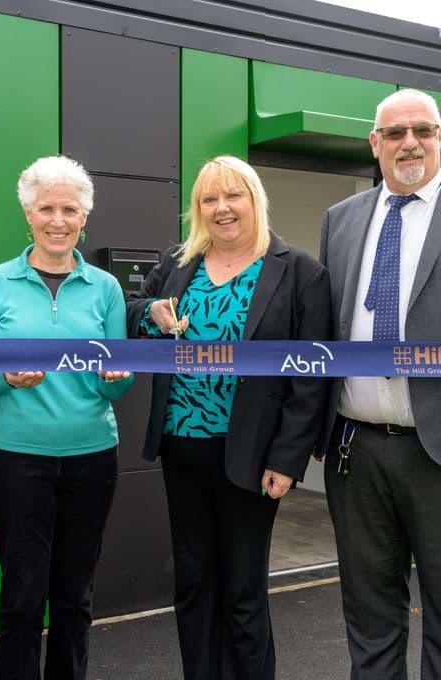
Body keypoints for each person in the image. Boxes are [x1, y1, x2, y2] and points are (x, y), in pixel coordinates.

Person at [126, 155, 330, 680]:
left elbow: (312, 379)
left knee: (243, 589)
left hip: (252, 455)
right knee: (194, 583)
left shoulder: (300, 271)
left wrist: (287, 459)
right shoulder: (179, 261)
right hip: (181, 446)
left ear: (255, 199)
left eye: (233, 195)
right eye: (209, 199)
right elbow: (135, 310)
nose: (222, 209)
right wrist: (150, 313)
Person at [0, 155, 133, 680]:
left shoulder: (106, 288)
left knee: (74, 597)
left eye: (70, 210)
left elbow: (116, 383)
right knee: (20, 595)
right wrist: (6, 377)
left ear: (85, 218)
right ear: (28, 215)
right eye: (46, 209)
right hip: (16, 460)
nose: (58, 220)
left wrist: (115, 378)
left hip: (90, 458)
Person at [319, 89, 441, 679]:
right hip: (356, 451)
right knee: (369, 615)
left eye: (423, 130)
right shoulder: (340, 221)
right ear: (375, 143)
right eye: (395, 133)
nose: (409, 143)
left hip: (436, 450)